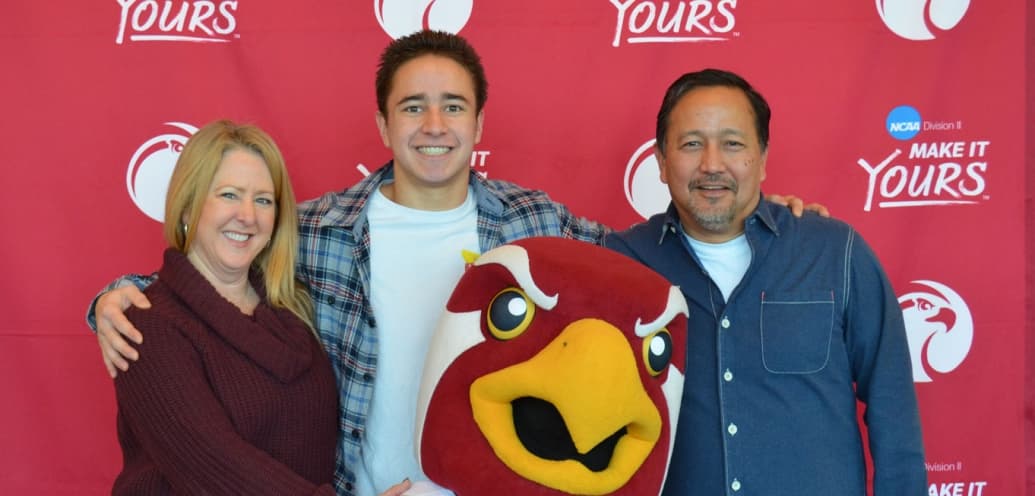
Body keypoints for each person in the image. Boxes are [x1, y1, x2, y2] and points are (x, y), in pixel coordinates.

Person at [90, 33, 821, 496]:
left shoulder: (535, 222)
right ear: (382, 123)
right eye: (412, 108)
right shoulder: (313, 230)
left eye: (452, 107)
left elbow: (651, 263)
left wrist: (754, 215)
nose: (433, 126)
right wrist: (117, 297)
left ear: (478, 123)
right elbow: (219, 269)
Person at [604, 69, 926, 495]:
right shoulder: (620, 264)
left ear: (764, 158)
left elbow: (893, 407)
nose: (712, 165)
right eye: (691, 144)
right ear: (662, 162)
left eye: (733, 144)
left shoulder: (835, 253)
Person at [110, 120, 338, 494]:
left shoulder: (291, 311)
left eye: (263, 200)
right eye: (229, 195)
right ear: (187, 209)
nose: (248, 216)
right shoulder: (147, 326)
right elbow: (212, 465)